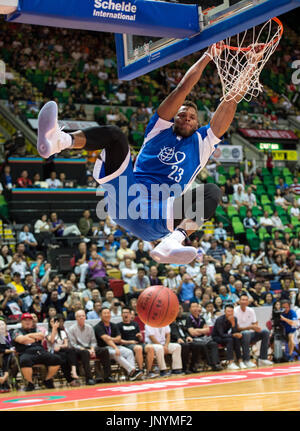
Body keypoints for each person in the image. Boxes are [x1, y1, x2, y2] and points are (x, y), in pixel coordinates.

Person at [36, 43, 261, 265]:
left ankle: (172, 242)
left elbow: (231, 100)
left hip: (161, 212)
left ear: (198, 124)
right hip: (129, 195)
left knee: (211, 192)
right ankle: (60, 140)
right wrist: (207, 57)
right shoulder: (159, 128)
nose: (187, 118)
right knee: (115, 136)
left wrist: (252, 64)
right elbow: (182, 88)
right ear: (174, 117)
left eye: (192, 117)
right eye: (182, 114)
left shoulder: (204, 142)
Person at [12, 313, 61, 391]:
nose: (27, 322)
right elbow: (21, 340)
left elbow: (41, 336)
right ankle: (30, 383)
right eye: (25, 320)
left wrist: (28, 336)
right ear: (21, 322)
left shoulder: (37, 329)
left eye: (29, 320)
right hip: (26, 352)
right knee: (24, 360)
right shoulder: (16, 331)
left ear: (32, 322)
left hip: (40, 351)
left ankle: (47, 380)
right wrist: (34, 337)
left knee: (56, 359)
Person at [93, 307, 142, 381]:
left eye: (108, 313)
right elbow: (106, 340)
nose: (107, 315)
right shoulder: (98, 327)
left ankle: (131, 374)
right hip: (104, 349)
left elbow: (119, 338)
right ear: (100, 315)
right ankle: (132, 371)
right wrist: (115, 345)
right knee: (116, 353)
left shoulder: (113, 325)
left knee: (129, 352)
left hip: (115, 346)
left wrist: (111, 339)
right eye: (105, 313)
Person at [67, 309, 113, 384]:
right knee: (85, 353)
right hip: (79, 350)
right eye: (79, 316)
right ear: (76, 318)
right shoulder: (72, 329)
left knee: (104, 350)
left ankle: (108, 376)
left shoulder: (89, 327)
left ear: (85, 317)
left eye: (83, 316)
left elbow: (93, 341)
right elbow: (73, 344)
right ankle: (89, 379)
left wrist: (92, 349)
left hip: (90, 348)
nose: (81, 317)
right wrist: (87, 350)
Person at [118, 306, 158, 379]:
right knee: (138, 348)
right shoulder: (118, 325)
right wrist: (130, 341)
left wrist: (140, 336)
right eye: (123, 313)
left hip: (137, 343)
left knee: (150, 347)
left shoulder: (135, 324)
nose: (125, 314)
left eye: (127, 313)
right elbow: (119, 340)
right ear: (121, 315)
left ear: (130, 314)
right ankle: (141, 371)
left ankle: (149, 371)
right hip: (126, 345)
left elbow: (141, 338)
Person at [234, 294, 273, 367]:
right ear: (239, 301)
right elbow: (237, 328)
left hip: (250, 334)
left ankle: (262, 359)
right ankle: (247, 360)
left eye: (246, 300)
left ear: (248, 302)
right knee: (246, 333)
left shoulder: (251, 310)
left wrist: (256, 327)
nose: (244, 301)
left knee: (265, 332)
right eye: (242, 300)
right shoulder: (235, 311)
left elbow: (255, 323)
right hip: (239, 335)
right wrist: (250, 327)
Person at [170, 304, 207, 374]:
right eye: (178, 309)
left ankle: (192, 366)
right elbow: (172, 332)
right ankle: (184, 368)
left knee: (197, 345)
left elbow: (185, 330)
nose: (179, 311)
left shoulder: (181, 320)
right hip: (175, 341)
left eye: (180, 309)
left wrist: (187, 336)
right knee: (185, 346)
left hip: (184, 339)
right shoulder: (170, 321)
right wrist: (178, 338)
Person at [186, 302, 222, 371]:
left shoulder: (201, 318)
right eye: (193, 307)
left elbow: (208, 330)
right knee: (203, 345)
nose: (195, 308)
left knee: (213, 344)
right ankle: (210, 364)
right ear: (190, 309)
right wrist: (202, 330)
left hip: (203, 338)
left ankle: (216, 363)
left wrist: (197, 330)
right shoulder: (189, 319)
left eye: (197, 306)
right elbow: (192, 333)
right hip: (194, 339)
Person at [46, 315, 80, 386]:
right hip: (52, 352)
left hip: (62, 350)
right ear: (49, 323)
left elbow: (66, 344)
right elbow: (52, 341)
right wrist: (54, 328)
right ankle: (70, 380)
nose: (54, 323)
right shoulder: (47, 332)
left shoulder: (62, 332)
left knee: (71, 351)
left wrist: (60, 346)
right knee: (63, 358)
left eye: (56, 321)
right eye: (52, 321)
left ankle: (73, 371)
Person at [212, 304, 244, 370]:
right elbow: (221, 334)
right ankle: (230, 362)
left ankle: (240, 361)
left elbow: (234, 331)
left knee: (236, 338)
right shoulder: (219, 320)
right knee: (230, 340)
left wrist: (233, 324)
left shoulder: (234, 318)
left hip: (226, 336)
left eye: (231, 311)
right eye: (228, 311)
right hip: (216, 337)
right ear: (225, 311)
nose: (230, 313)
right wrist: (233, 335)